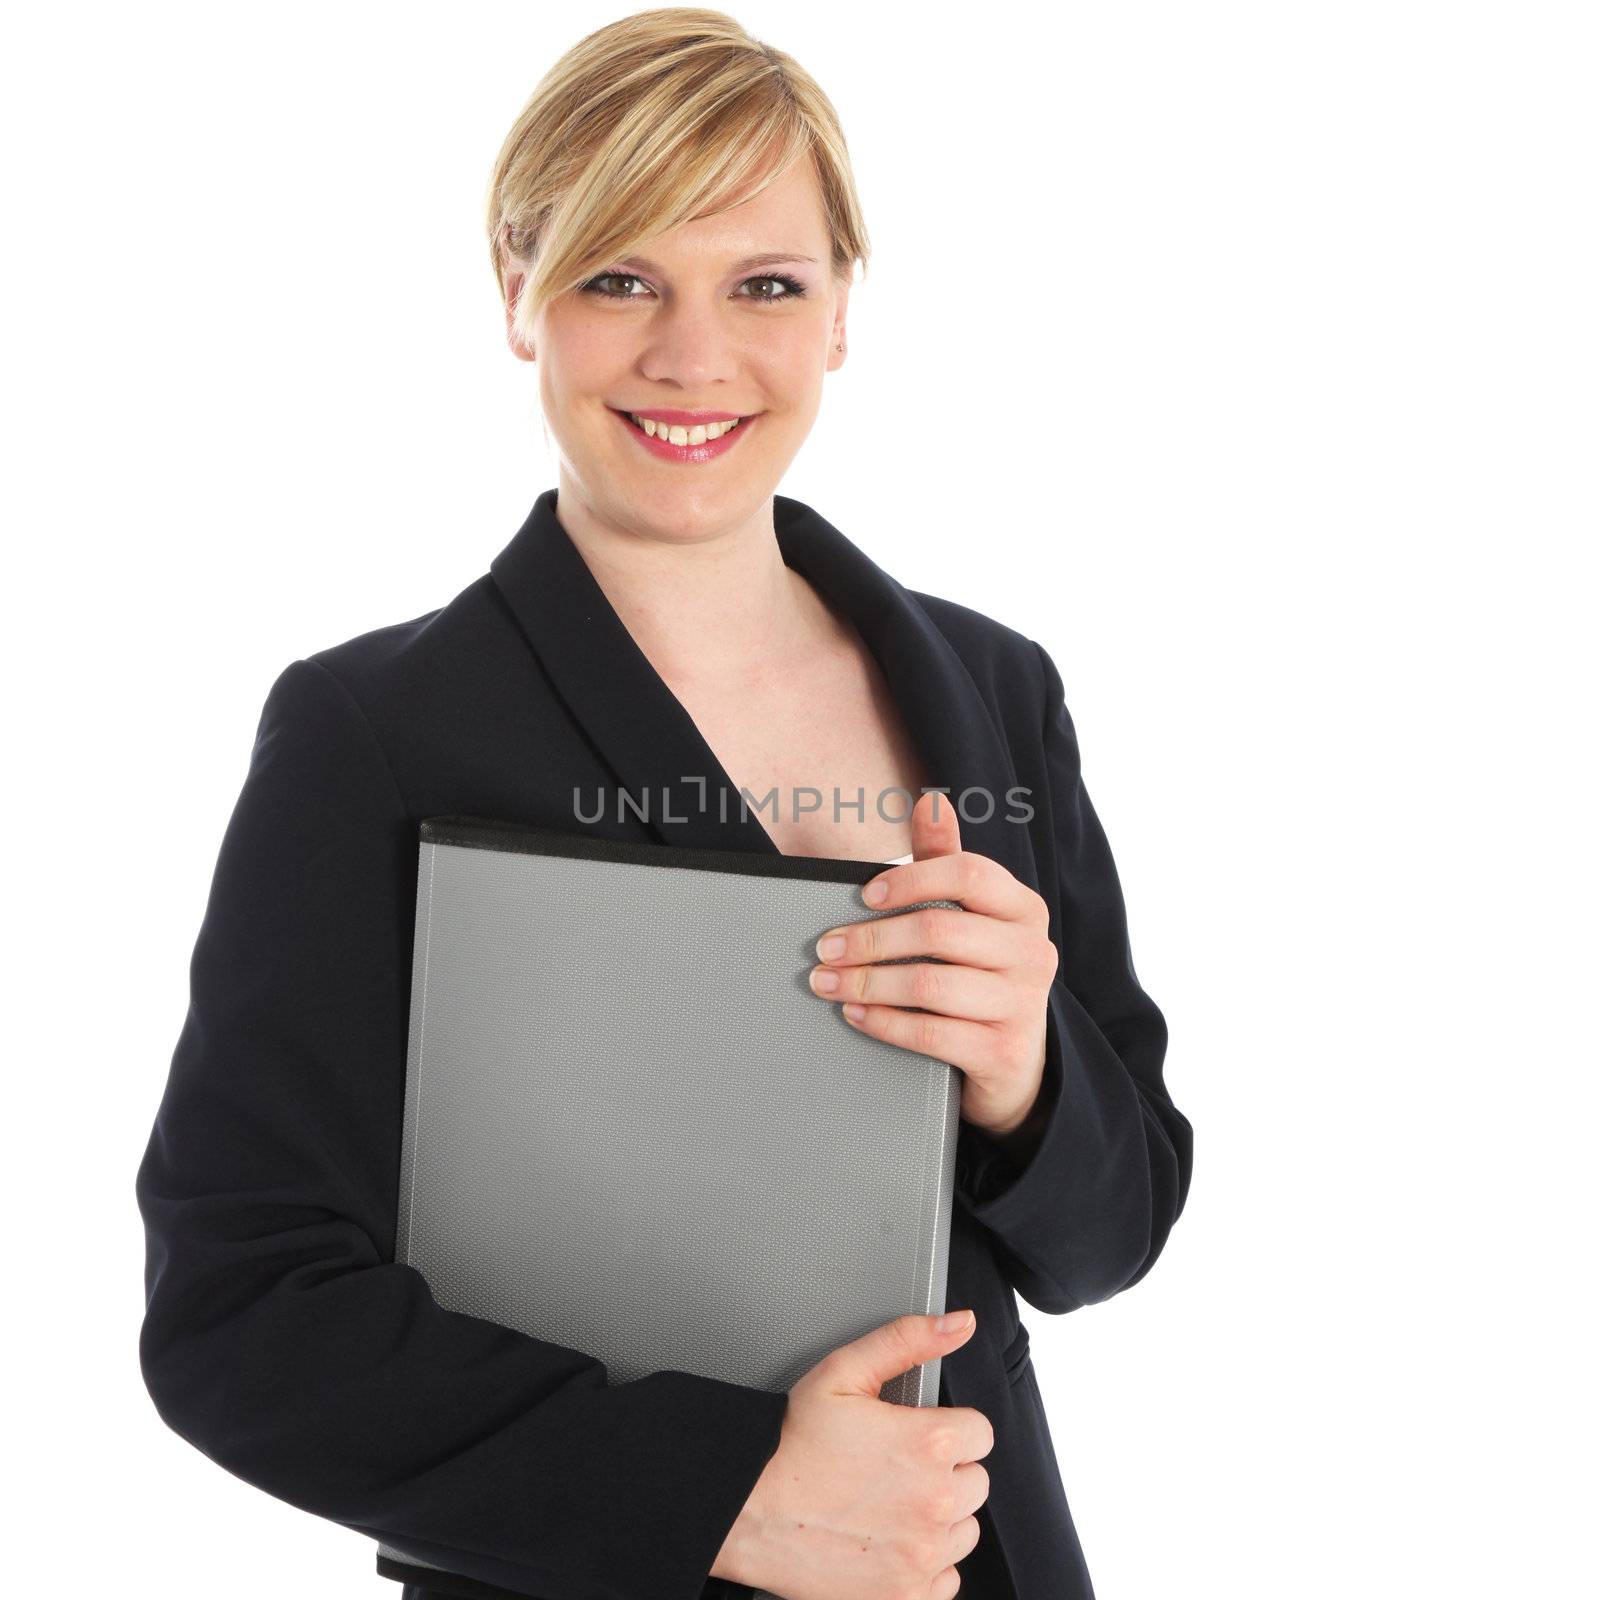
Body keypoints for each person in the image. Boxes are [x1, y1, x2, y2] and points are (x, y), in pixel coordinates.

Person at [134, 10, 1193, 1600]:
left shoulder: (991, 689)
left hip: (979, 1561)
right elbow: (239, 1313)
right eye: (620, 278)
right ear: (518, 295)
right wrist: (733, 1493)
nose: (693, 358)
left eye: (766, 284)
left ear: (842, 310)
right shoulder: (374, 732)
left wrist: (1029, 1081)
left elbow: (1115, 1237)